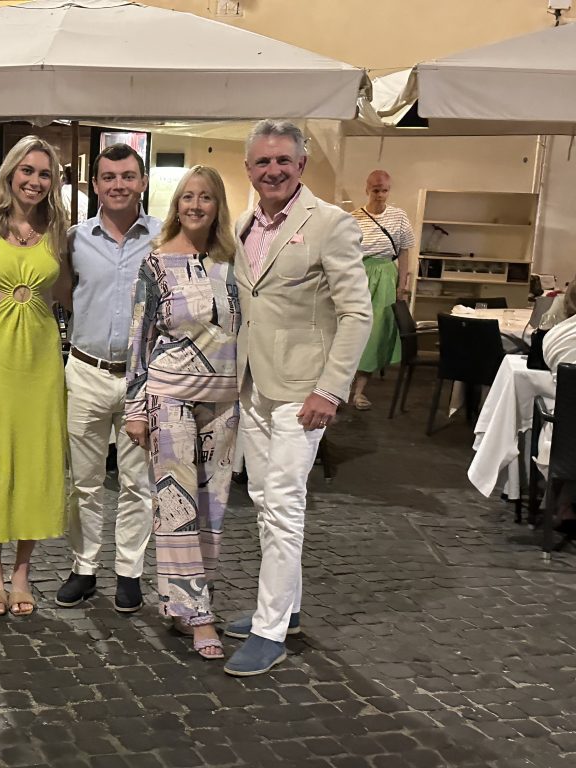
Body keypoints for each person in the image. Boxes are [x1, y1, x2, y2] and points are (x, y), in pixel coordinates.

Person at [224, 120, 371, 677]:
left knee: (284, 507)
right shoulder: (243, 225)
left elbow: (358, 313)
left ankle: (268, 632)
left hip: (303, 393)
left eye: (283, 160)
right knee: (264, 500)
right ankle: (284, 612)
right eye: (263, 163)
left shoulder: (330, 224)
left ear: (302, 165)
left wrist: (331, 390)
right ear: (250, 170)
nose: (274, 170)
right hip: (255, 386)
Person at [123, 165, 240, 660]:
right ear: (177, 205)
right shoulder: (154, 264)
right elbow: (139, 338)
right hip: (168, 394)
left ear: (218, 206)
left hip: (226, 399)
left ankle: (182, 601)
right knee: (177, 509)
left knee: (212, 509)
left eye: (206, 198)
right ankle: (199, 618)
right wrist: (134, 406)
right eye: (188, 197)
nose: (195, 205)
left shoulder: (237, 263)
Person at [0, 135, 69, 618]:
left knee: (37, 459)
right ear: (9, 173)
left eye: (44, 174)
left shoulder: (60, 230)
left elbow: (66, 292)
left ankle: (22, 573)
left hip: (41, 355)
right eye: (27, 171)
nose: (35, 181)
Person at [55, 144, 159, 613]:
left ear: (141, 182)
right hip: (86, 370)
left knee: (139, 483)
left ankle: (130, 572)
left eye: (127, 176)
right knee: (85, 480)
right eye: (109, 176)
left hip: (144, 378)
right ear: (94, 184)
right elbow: (62, 295)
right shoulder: (75, 240)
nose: (118, 184)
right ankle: (83, 566)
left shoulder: (163, 238)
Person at [349, 170, 416, 410]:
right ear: (367, 189)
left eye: (384, 190)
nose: (380, 195)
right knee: (352, 327)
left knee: (377, 331)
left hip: (387, 274)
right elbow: (346, 252)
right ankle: (341, 386)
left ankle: (359, 391)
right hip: (360, 273)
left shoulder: (398, 217)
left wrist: (402, 285)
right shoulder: (354, 217)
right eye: (376, 190)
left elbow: (405, 249)